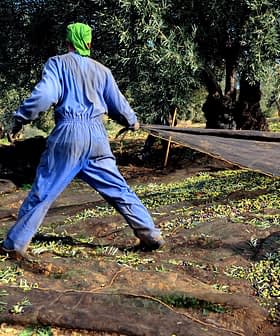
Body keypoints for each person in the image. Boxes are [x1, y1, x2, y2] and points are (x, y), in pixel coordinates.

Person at [1, 22, 164, 259]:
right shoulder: (102, 71)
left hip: (69, 133)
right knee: (119, 189)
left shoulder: (57, 64)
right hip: (98, 137)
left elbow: (45, 95)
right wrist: (132, 121)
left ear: (68, 42)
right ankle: (151, 235)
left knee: (43, 192)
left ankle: (14, 244)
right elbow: (118, 105)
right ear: (89, 43)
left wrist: (20, 118)